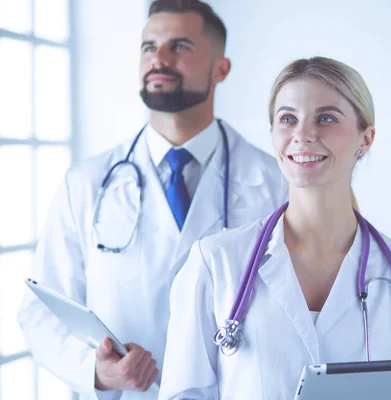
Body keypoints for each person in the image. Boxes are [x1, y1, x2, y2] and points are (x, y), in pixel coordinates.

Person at [17, 1, 287, 398]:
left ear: (220, 69)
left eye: (179, 46)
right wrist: (97, 371)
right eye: (149, 47)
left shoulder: (275, 183)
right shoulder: (86, 183)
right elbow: (41, 310)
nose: (158, 59)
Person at [158, 56, 391, 400]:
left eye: (325, 118)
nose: (303, 135)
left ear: (365, 139)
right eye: (288, 119)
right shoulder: (216, 264)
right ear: (273, 134)